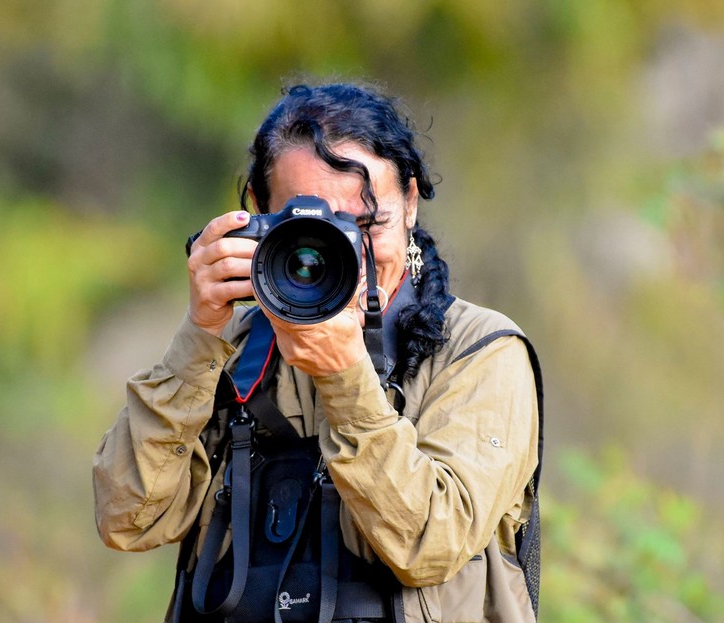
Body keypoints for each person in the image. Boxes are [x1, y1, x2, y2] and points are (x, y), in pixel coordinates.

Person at [93, 82, 541, 623]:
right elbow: (127, 519)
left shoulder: (478, 350)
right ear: (259, 214)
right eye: (312, 229)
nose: (344, 248)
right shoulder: (233, 350)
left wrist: (345, 378)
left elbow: (430, 543)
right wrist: (199, 334)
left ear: (410, 204)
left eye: (366, 224)